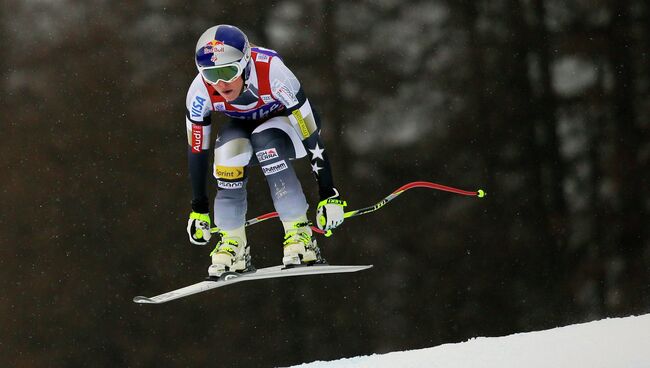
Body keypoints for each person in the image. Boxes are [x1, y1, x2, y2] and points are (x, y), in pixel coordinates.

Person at [184, 24, 347, 277]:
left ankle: (299, 234)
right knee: (228, 151)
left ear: (245, 64)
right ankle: (233, 243)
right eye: (210, 75)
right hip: (246, 127)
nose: (220, 84)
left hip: (290, 127)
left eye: (228, 72)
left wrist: (328, 193)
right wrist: (199, 209)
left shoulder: (273, 73)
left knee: (265, 140)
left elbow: (309, 132)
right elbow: (197, 149)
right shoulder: (199, 92)